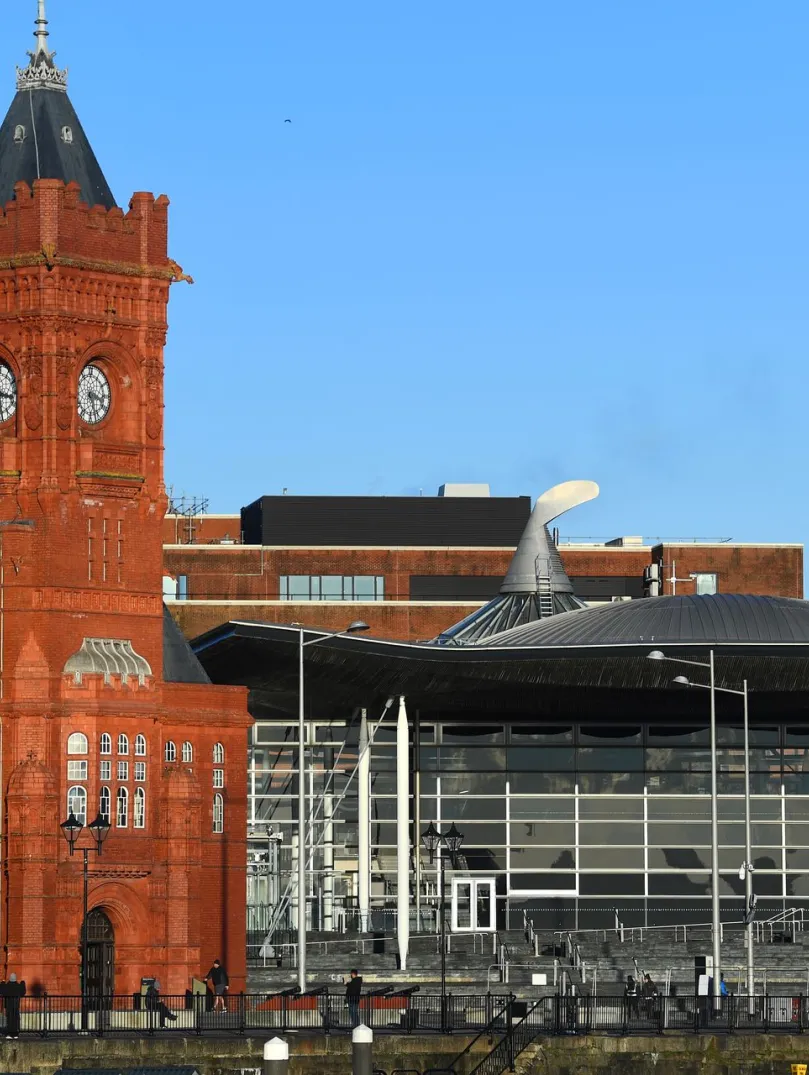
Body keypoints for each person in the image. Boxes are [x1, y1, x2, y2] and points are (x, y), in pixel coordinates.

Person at [2, 973, 26, 1039]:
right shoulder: (18, 986)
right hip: (16, 1005)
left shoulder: (6, 986)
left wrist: (3, 982)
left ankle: (9, 1034)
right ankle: (15, 1034)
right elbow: (23, 992)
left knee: (9, 1019)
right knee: (15, 1019)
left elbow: (1, 990)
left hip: (8, 1005)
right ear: (15, 979)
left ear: (10, 978)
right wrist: (23, 983)